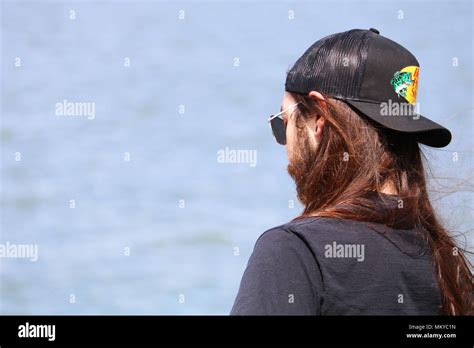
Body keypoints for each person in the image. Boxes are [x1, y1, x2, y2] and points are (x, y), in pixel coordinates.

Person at [230, 28, 472, 315]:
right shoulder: (447, 265)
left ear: (319, 118)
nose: (284, 144)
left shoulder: (293, 253)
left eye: (282, 122)